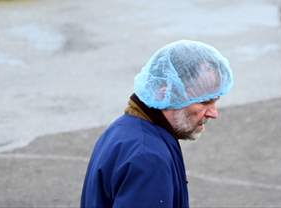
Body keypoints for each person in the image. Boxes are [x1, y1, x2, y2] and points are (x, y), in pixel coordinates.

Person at [80, 40, 234, 208]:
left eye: (215, 100)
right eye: (204, 102)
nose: (214, 113)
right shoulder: (148, 158)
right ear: (165, 94)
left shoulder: (121, 129)